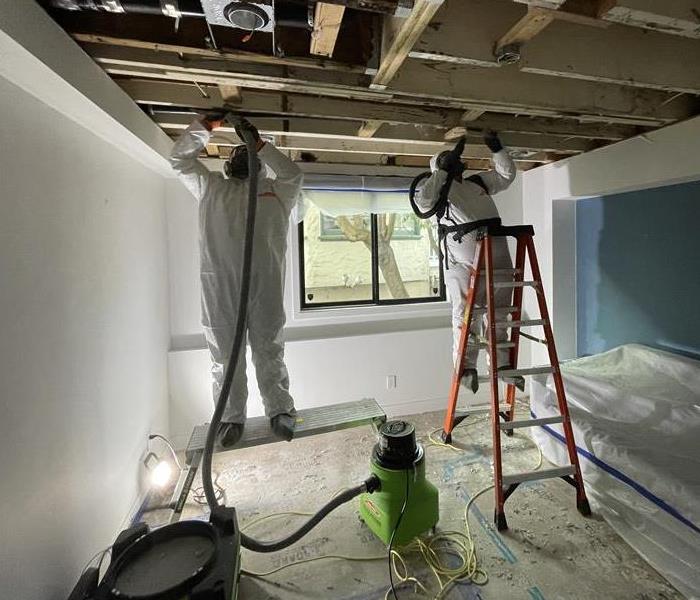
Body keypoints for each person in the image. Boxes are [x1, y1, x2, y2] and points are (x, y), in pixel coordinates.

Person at [170, 114, 303, 447]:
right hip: (220, 288)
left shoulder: (276, 192)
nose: (241, 156)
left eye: (248, 152)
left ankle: (279, 410)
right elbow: (179, 159)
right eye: (238, 152)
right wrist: (205, 126)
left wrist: (259, 144)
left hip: (265, 286)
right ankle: (231, 417)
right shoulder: (211, 188)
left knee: (268, 349)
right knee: (225, 356)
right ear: (227, 165)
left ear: (258, 162)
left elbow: (293, 172)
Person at [415, 131, 523, 393]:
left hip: (495, 249)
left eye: (454, 160)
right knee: (467, 313)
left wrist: (498, 151)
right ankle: (465, 368)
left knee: (499, 311)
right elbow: (422, 202)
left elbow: (505, 177)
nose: (456, 163)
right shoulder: (435, 190)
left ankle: (502, 365)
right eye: (448, 161)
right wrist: (441, 172)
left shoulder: (476, 183)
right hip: (462, 260)